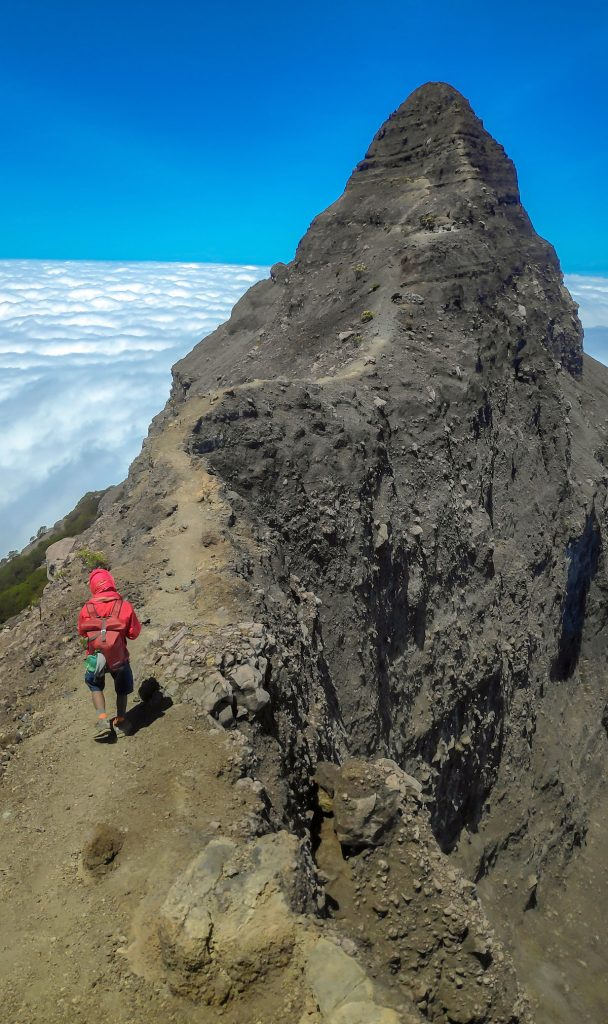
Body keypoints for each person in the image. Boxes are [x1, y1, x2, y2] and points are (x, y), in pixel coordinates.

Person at [77, 568, 141, 740]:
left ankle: (103, 720)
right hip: (118, 657)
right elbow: (134, 633)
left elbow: (82, 633)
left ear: (93, 587)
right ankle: (120, 721)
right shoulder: (124, 606)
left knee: (95, 685)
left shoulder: (86, 609)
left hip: (96, 657)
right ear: (111, 583)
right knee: (122, 689)